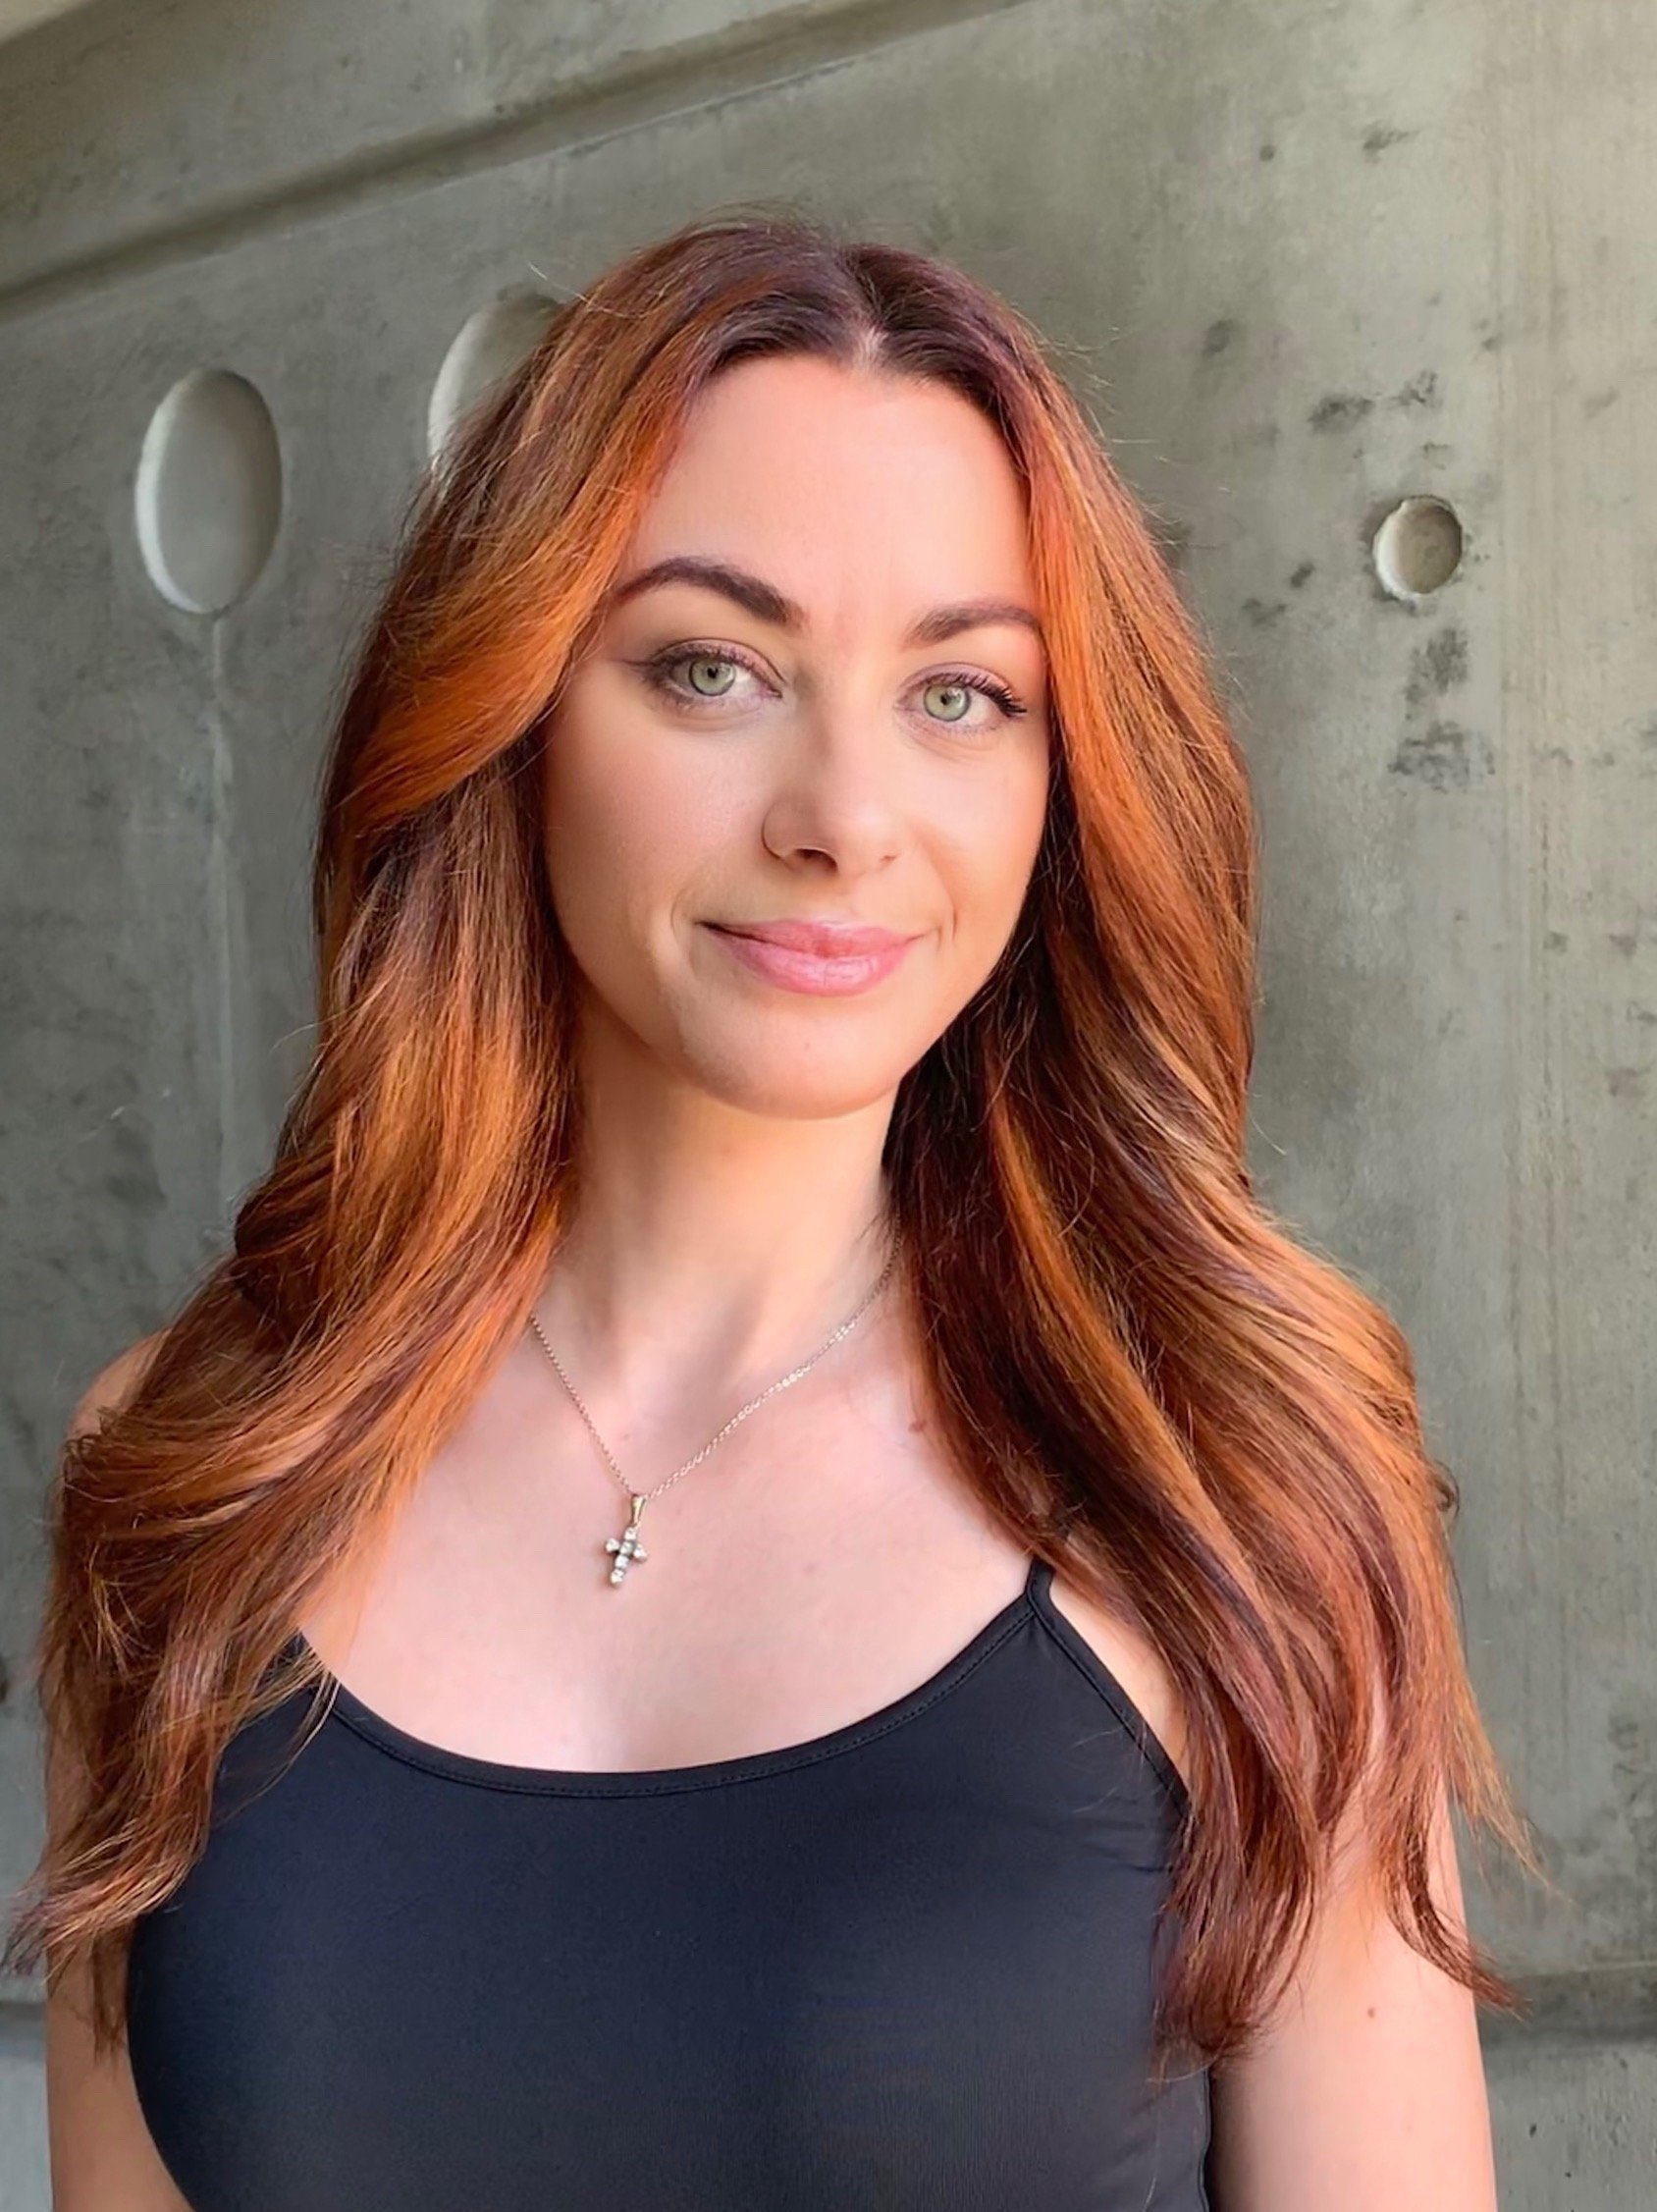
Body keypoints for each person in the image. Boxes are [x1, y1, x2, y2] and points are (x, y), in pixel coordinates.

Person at [10, 207, 1538, 2210]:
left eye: (961, 694)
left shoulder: (1240, 1483)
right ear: (513, 714)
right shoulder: (191, 1466)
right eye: (711, 667)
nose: (843, 814)